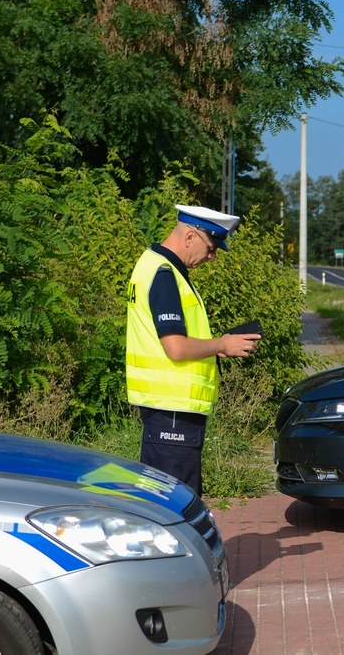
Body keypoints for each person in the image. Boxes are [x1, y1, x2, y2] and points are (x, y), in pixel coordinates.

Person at [125, 204, 261, 495]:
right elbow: (175, 347)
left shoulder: (157, 267)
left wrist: (215, 348)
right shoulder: (165, 275)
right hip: (172, 408)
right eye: (211, 247)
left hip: (168, 407)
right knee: (176, 505)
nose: (212, 257)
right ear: (189, 237)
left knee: (164, 502)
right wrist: (222, 344)